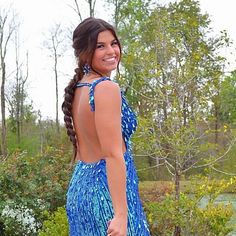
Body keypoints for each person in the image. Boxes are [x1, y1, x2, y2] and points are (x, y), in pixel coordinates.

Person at [62, 17, 150, 236]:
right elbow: (112, 154)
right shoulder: (105, 88)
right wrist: (121, 216)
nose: (111, 51)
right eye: (100, 46)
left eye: (114, 43)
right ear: (84, 52)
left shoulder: (80, 88)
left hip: (80, 190)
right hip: (108, 193)